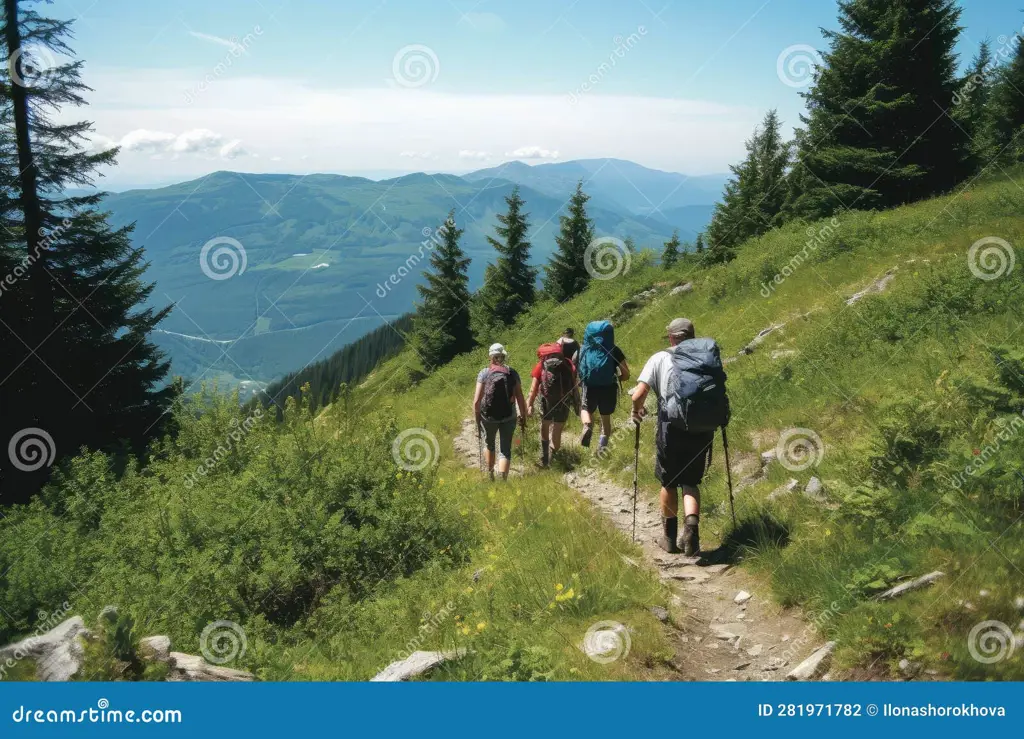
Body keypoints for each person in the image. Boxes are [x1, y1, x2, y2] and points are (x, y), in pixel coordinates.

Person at [631, 318, 718, 556]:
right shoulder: (705, 357)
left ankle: (669, 539)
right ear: (692, 335)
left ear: (671, 337)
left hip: (671, 428)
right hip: (701, 427)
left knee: (668, 482)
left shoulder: (659, 357)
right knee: (691, 481)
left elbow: (638, 394)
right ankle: (691, 527)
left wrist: (636, 409)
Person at [473, 343, 528, 481]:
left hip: (488, 417)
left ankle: (490, 473)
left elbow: (476, 401)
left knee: (489, 444)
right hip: (509, 415)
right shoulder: (512, 373)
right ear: (504, 356)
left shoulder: (484, 373)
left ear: (490, 357)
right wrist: (523, 415)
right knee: (505, 449)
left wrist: (478, 419)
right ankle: (503, 480)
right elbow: (520, 397)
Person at [574, 320, 629, 452]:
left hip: (589, 386)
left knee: (585, 409)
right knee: (606, 419)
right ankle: (602, 448)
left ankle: (587, 426)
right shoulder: (614, 350)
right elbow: (626, 374)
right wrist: (618, 378)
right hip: (609, 387)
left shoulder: (581, 350)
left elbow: (577, 372)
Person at [526, 342, 578, 467]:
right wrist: (577, 402)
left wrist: (529, 405)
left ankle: (544, 457)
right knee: (557, 429)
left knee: (545, 424)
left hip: (546, 400)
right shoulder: (567, 364)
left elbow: (533, 389)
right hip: (564, 400)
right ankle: (553, 455)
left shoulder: (541, 366)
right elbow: (574, 384)